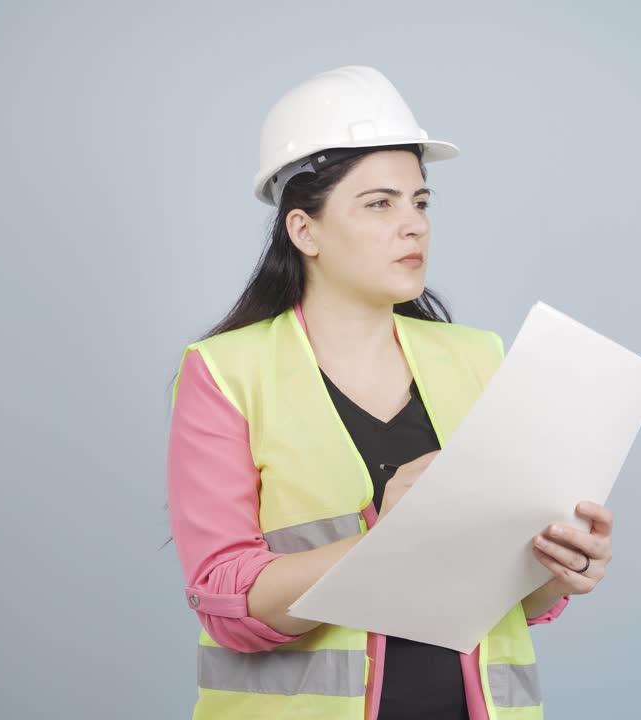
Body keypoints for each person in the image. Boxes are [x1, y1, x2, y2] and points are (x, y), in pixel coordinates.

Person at [166, 65, 614, 720]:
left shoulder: (478, 359)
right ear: (304, 230)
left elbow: (503, 599)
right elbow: (225, 600)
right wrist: (384, 540)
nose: (414, 226)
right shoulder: (226, 372)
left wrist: (556, 570)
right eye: (380, 204)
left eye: (420, 202)